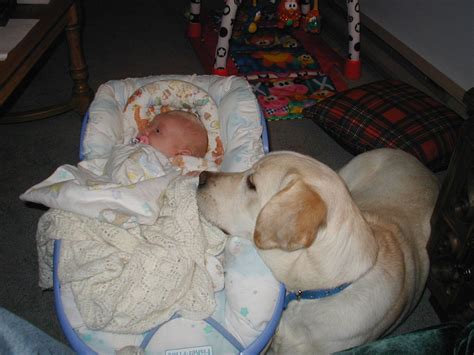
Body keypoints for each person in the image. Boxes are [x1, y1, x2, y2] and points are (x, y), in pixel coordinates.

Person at [135, 110, 208, 159]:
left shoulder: (174, 174)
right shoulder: (130, 142)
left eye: (157, 131)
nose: (146, 130)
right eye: (149, 125)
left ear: (182, 155)